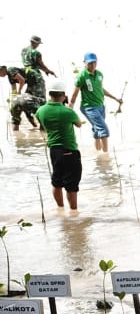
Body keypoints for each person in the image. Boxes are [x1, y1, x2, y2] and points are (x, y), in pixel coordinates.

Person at [35, 79, 84, 211]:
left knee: (57, 181)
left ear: (49, 94)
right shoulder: (68, 112)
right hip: (69, 150)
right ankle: (74, 212)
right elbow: (79, 124)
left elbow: (42, 127)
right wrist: (69, 109)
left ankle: (60, 209)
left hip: (54, 150)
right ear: (63, 95)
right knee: (71, 185)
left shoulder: (41, 111)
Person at [68, 53, 122, 153]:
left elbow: (101, 89)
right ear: (85, 63)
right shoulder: (82, 76)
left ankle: (98, 153)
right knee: (104, 130)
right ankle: (106, 156)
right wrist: (71, 105)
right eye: (90, 63)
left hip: (100, 106)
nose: (92, 65)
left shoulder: (100, 74)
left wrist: (115, 98)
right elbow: (75, 92)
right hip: (89, 107)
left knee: (97, 129)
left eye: (94, 62)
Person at [8, 65, 44, 130]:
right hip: (28, 88)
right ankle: (35, 124)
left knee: (37, 103)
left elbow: (22, 80)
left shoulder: (10, 70)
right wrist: (15, 96)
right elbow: (14, 90)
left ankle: (33, 123)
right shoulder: (10, 77)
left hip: (35, 79)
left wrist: (19, 92)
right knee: (39, 106)